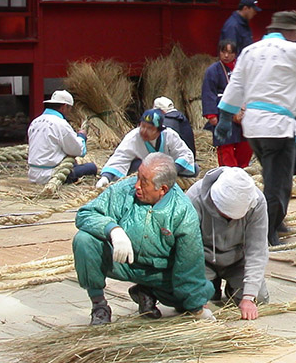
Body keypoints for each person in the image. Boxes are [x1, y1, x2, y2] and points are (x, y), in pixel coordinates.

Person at [214, 9, 296, 246]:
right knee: (279, 183)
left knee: (271, 176)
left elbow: (236, 85)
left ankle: (276, 221)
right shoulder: (293, 50)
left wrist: (226, 117)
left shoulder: (250, 51)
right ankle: (266, 230)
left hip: (253, 127)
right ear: (291, 32)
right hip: (278, 127)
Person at [72, 152, 215, 325]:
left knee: (188, 298)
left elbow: (189, 264)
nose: (137, 185)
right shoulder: (124, 190)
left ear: (162, 189)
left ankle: (146, 292)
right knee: (84, 240)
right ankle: (99, 306)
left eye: (144, 182)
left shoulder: (183, 212)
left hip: (160, 272)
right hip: (123, 261)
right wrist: (113, 230)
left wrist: (196, 308)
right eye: (138, 177)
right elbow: (86, 214)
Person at [186, 166, 269, 319]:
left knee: (260, 298)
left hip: (238, 260)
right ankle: (211, 284)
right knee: (186, 301)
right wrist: (196, 288)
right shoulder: (194, 197)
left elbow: (257, 250)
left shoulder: (257, 202)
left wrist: (249, 296)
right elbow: (187, 249)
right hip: (203, 260)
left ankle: (233, 287)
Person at [95, 109, 198, 189]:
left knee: (195, 168)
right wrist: (106, 177)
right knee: (135, 166)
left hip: (169, 170)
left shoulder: (169, 135)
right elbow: (121, 157)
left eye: (150, 128)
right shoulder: (133, 136)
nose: (144, 131)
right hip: (145, 171)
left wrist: (171, 170)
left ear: (159, 130)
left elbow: (184, 154)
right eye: (142, 126)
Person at [27, 89, 98, 185]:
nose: (69, 112)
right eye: (70, 109)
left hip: (33, 174)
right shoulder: (61, 124)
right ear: (64, 107)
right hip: (52, 175)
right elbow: (77, 150)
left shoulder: (35, 122)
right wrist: (81, 136)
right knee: (91, 167)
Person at [202, 40, 253, 168]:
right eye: (223, 51)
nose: (226, 55)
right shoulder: (213, 71)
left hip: (243, 112)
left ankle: (242, 171)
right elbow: (208, 92)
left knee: (245, 145)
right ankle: (228, 174)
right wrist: (211, 115)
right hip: (222, 112)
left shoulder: (243, 69)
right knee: (226, 148)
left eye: (230, 52)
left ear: (236, 54)